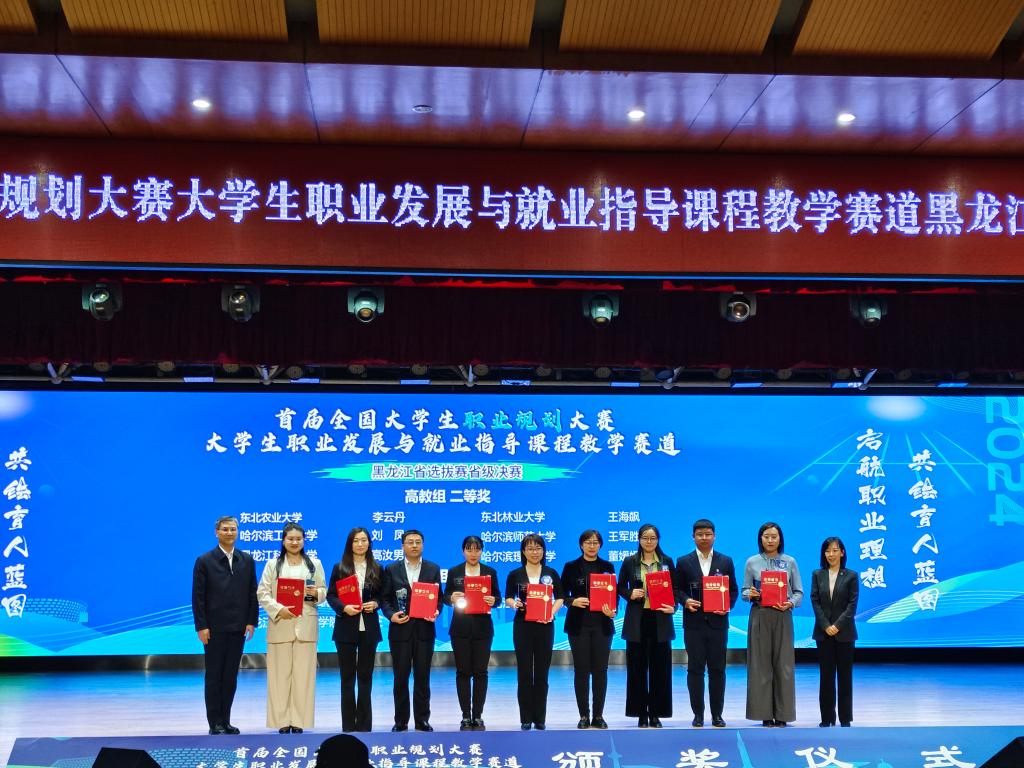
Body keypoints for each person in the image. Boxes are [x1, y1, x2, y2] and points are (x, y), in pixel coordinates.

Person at [256, 522, 327, 734]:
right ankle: (282, 721)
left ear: (304, 540)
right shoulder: (273, 565)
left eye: (298, 539)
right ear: (283, 541)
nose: (295, 542)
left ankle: (299, 721)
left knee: (304, 677)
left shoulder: (314, 564)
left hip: (306, 626)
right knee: (279, 677)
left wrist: (317, 594)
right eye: (290, 539)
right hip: (281, 624)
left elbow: (324, 590)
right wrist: (279, 609)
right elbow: (262, 593)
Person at [191, 515, 258, 735]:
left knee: (230, 676)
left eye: (233, 529)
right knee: (214, 676)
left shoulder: (246, 560)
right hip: (213, 629)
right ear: (217, 532)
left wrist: (251, 621)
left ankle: (226, 720)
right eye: (225, 529)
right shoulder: (204, 561)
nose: (230, 533)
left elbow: (252, 593)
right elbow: (198, 597)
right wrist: (201, 626)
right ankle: (214, 723)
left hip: (238, 627)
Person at [676, 518, 738, 728]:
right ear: (693, 537)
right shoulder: (683, 561)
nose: (704, 538)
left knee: (718, 670)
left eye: (708, 534)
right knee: (695, 669)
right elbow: (677, 589)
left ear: (714, 536)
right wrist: (685, 600)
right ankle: (698, 714)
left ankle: (717, 715)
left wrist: (727, 605)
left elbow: (733, 590)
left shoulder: (725, 561)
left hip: (718, 624)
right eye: (700, 534)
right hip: (693, 624)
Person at [742, 521, 803, 727]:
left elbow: (798, 592)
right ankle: (764, 714)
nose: (770, 540)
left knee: (783, 665)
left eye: (774, 536)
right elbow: (744, 591)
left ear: (780, 539)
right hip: (759, 615)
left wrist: (790, 603)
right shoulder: (752, 562)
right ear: (760, 539)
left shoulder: (790, 562)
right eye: (766, 536)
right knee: (760, 665)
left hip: (782, 616)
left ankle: (783, 714)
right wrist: (750, 594)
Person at [380, 529, 442, 732]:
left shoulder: (433, 568)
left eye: (418, 542)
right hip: (400, 631)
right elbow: (385, 599)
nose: (414, 545)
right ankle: (401, 721)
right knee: (400, 677)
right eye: (410, 542)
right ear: (403, 546)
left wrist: (436, 611)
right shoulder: (391, 569)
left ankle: (422, 720)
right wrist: (391, 615)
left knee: (423, 677)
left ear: (423, 545)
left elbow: (438, 598)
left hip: (425, 630)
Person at [617, 523, 677, 728]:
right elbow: (619, 587)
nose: (649, 541)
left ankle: (657, 713)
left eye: (653, 538)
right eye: (645, 538)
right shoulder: (630, 561)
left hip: (661, 619)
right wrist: (630, 593)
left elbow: (675, 589)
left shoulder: (667, 562)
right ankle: (641, 713)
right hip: (637, 619)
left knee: (660, 669)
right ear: (639, 539)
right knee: (637, 669)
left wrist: (673, 607)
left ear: (658, 540)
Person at [504, 533, 565, 730]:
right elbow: (508, 597)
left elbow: (560, 597)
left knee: (541, 673)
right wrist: (514, 604)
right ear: (523, 551)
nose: (534, 552)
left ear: (543, 551)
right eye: (530, 548)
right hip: (522, 625)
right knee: (524, 672)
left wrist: (550, 612)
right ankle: (525, 718)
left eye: (538, 548)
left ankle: (540, 718)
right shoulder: (515, 574)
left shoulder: (551, 573)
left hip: (545, 626)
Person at [326, 527, 382, 732]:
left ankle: (365, 724)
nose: (360, 544)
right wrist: (343, 608)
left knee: (366, 678)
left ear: (369, 543)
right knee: (347, 679)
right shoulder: (340, 568)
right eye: (356, 540)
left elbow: (382, 596)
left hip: (369, 629)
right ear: (350, 544)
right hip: (345, 628)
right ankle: (349, 725)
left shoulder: (377, 568)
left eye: (364, 540)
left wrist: (375, 603)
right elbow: (331, 595)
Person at [560, 529, 617, 729]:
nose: (592, 546)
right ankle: (584, 715)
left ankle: (598, 716)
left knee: (601, 671)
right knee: (581, 670)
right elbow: (561, 594)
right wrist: (572, 601)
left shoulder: (607, 566)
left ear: (600, 545)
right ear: (581, 545)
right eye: (588, 542)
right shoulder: (571, 567)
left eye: (595, 542)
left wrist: (613, 610)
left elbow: (613, 594)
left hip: (602, 625)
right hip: (578, 625)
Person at [443, 535, 501, 731]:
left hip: (483, 628)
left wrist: (494, 600)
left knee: (481, 672)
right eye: (469, 549)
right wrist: (452, 598)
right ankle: (465, 716)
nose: (473, 553)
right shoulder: (455, 571)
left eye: (477, 549)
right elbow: (445, 596)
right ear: (463, 551)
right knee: (463, 672)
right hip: (460, 628)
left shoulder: (490, 572)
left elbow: (498, 598)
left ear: (482, 551)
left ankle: (478, 715)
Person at [810, 536, 858, 728]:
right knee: (826, 677)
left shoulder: (851, 576)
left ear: (842, 552)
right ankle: (827, 718)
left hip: (845, 633)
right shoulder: (817, 574)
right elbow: (815, 601)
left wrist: (837, 625)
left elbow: (852, 605)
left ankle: (845, 718)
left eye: (835, 550)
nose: (831, 554)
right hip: (823, 634)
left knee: (845, 677)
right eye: (827, 551)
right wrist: (825, 625)